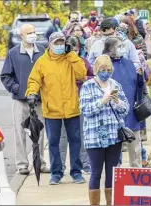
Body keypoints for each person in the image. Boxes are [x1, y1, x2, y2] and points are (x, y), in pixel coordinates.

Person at [25, 32, 87, 185]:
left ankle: (76, 172)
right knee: (53, 142)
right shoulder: (42, 62)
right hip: (52, 109)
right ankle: (56, 173)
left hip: (71, 108)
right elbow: (33, 80)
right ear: (50, 44)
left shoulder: (71, 59)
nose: (59, 46)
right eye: (56, 43)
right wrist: (31, 93)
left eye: (62, 43)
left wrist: (71, 54)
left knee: (75, 141)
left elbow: (82, 74)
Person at [0, 24, 49, 175]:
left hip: (39, 100)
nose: (33, 35)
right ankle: (22, 165)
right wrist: (18, 90)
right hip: (20, 100)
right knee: (20, 133)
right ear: (21, 35)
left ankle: (40, 163)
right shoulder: (13, 53)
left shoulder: (42, 51)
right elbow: (6, 76)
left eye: (34, 32)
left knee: (40, 133)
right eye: (29, 33)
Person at [80, 55, 129, 205]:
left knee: (112, 173)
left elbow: (126, 109)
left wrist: (117, 101)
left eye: (108, 70)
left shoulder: (115, 85)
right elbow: (85, 110)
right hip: (94, 136)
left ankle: (110, 202)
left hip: (114, 135)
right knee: (96, 173)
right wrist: (101, 101)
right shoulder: (88, 86)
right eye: (102, 69)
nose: (106, 72)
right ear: (96, 69)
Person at [103, 37, 145, 168]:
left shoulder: (129, 63)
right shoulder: (105, 65)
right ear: (110, 49)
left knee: (135, 151)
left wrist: (141, 75)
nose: (122, 48)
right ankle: (114, 179)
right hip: (112, 116)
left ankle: (137, 177)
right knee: (114, 154)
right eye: (119, 46)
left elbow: (139, 85)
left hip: (131, 113)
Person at [59, 35, 94, 175]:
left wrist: (85, 79)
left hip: (80, 102)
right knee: (62, 138)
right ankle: (60, 166)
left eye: (75, 49)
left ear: (79, 49)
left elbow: (93, 77)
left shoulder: (83, 62)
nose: (72, 52)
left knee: (81, 135)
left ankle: (85, 164)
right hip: (63, 104)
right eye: (70, 49)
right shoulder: (60, 63)